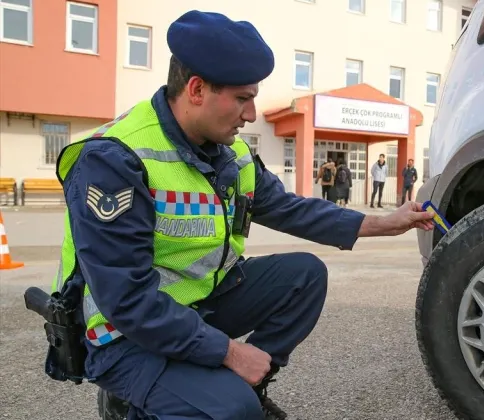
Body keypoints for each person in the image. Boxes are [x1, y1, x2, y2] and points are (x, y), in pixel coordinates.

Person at [48, 10, 434, 420]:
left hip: (195, 304)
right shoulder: (114, 160)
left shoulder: (230, 152)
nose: (251, 114)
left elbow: (287, 208)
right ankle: (135, 404)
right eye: (242, 98)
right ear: (196, 89)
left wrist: (383, 222)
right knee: (234, 410)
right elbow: (126, 301)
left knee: (305, 276)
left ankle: (231, 387)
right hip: (123, 335)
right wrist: (229, 352)